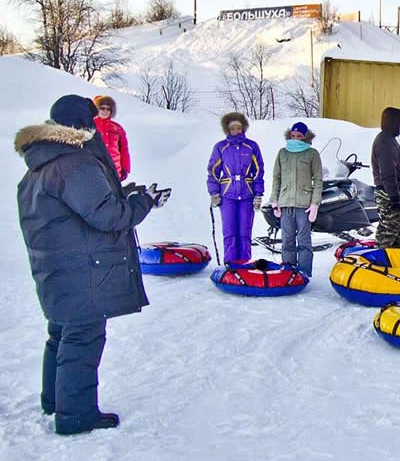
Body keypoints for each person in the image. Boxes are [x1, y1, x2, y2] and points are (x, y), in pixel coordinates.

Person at [16, 95, 170, 435]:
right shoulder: (76, 163)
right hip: (81, 268)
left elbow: (80, 205)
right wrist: (143, 201)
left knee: (61, 333)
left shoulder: (40, 165)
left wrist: (126, 192)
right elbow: (109, 215)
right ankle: (76, 415)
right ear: (83, 124)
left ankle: (55, 401)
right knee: (83, 337)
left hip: (54, 266)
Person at [207, 112, 264, 265]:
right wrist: (214, 193)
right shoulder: (221, 147)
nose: (236, 131)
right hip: (227, 195)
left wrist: (258, 194)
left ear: (243, 128)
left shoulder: (251, 146)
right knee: (229, 232)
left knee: (244, 232)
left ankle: (244, 264)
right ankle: (230, 265)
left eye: (239, 128)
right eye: (233, 128)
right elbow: (213, 171)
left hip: (247, 194)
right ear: (227, 129)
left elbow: (259, 171)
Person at [267, 122, 323, 276]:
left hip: (303, 205)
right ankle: (288, 273)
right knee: (287, 241)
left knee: (304, 241)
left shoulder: (312, 154)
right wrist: (275, 201)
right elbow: (276, 178)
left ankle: (304, 274)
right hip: (285, 204)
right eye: (293, 135)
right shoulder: (283, 153)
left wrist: (314, 204)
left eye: (299, 136)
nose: (296, 138)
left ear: (305, 137)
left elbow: (318, 180)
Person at [372, 107, 400, 249]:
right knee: (389, 230)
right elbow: (387, 172)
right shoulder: (384, 142)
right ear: (394, 121)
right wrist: (394, 197)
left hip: (394, 192)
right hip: (388, 193)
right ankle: (380, 260)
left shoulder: (390, 140)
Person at [91, 95, 131, 181]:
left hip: (114, 170)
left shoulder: (117, 128)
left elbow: (124, 149)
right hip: (94, 169)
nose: (105, 111)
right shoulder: (90, 125)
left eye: (108, 109)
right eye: (102, 108)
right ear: (97, 109)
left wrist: (125, 168)